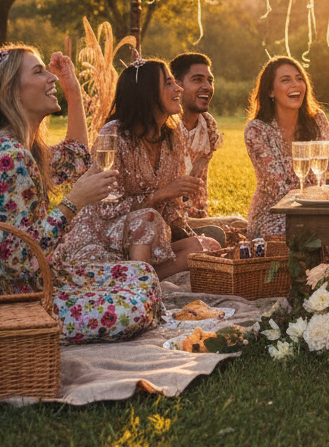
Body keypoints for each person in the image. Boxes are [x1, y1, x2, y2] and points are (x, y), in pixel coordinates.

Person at [0, 43, 161, 343]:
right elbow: (18, 260)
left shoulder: (25, 149)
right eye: (38, 71)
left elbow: (77, 155)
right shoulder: (9, 156)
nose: (51, 77)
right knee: (132, 307)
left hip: (21, 280)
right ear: (11, 92)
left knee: (142, 276)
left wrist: (73, 91)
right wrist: (74, 202)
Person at [54, 57, 221, 281]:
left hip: (147, 238)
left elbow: (171, 208)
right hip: (101, 236)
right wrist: (159, 195)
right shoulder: (113, 134)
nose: (178, 88)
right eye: (169, 83)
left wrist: (190, 232)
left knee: (207, 246)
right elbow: (106, 207)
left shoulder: (173, 135)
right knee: (147, 218)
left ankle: (140, 277)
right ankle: (140, 284)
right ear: (147, 92)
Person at [244, 56, 329, 239]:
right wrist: (321, 198)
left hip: (316, 208)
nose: (295, 84)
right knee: (322, 232)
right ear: (270, 91)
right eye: (285, 80)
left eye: (299, 78)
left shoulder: (317, 120)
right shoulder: (256, 130)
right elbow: (281, 187)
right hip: (275, 214)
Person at [171, 51, 230, 247]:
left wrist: (205, 222)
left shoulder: (208, 125)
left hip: (191, 220)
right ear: (177, 84)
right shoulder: (165, 125)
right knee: (220, 233)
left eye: (209, 80)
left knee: (237, 229)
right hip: (164, 222)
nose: (207, 86)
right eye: (197, 79)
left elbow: (200, 188)